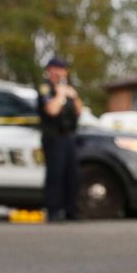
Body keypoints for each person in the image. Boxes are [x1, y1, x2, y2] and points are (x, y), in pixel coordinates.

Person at [37, 57, 83, 221]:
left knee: (73, 175)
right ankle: (54, 211)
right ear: (50, 69)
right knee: (55, 174)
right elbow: (52, 111)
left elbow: (79, 111)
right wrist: (60, 95)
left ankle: (72, 210)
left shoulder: (68, 88)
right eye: (58, 68)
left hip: (70, 136)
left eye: (64, 69)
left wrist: (74, 96)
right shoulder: (45, 88)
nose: (62, 72)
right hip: (53, 137)